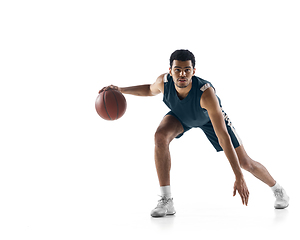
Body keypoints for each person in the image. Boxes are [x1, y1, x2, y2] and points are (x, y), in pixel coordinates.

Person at [99, 49, 289, 217]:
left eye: (187, 70)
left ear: (194, 71)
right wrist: (121, 90)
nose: (182, 74)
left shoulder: (206, 94)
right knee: (160, 137)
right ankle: (167, 200)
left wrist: (238, 175)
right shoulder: (163, 82)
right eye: (178, 69)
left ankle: (278, 189)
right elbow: (149, 90)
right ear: (171, 70)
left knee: (245, 163)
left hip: (209, 120)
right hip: (180, 116)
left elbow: (223, 136)